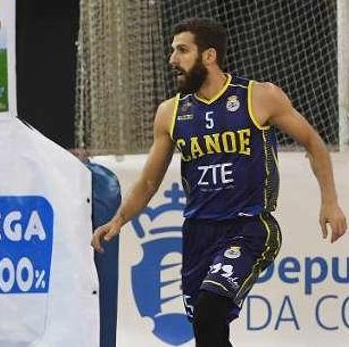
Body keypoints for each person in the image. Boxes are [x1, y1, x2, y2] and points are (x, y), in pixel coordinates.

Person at [91, 18, 347, 347]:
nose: (172, 59)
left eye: (182, 50)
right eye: (173, 51)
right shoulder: (171, 112)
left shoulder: (258, 96)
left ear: (209, 56)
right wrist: (118, 220)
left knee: (211, 309)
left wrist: (329, 200)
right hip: (198, 232)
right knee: (208, 332)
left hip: (248, 226)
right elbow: (150, 180)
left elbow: (313, 143)